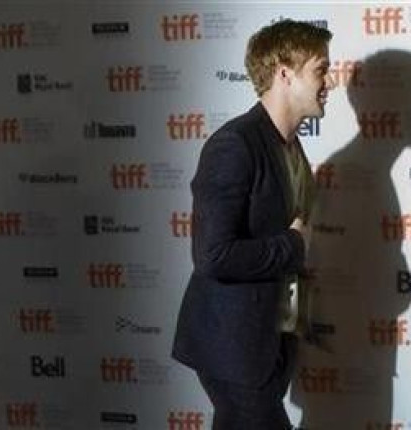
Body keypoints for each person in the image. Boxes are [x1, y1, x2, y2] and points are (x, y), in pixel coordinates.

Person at [172, 19, 335, 429]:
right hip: (232, 344)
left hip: (272, 340)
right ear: (285, 73)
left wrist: (292, 332)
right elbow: (213, 255)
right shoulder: (234, 144)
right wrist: (294, 245)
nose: (328, 82)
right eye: (320, 70)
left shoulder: (291, 149)